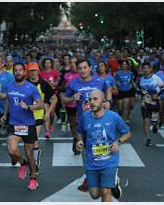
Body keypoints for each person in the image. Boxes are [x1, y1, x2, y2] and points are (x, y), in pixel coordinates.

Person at [63, 58, 112, 192]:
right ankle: (90, 176)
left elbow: (108, 91)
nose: (82, 70)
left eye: (85, 67)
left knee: (101, 149)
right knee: (88, 151)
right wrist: (72, 99)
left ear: (90, 68)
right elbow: (65, 99)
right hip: (84, 121)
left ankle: (103, 175)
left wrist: (108, 101)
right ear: (77, 70)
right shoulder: (73, 83)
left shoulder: (99, 81)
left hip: (101, 120)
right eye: (80, 68)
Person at [76, 90, 131, 202]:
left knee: (106, 192)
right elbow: (79, 131)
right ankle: (113, 183)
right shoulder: (85, 116)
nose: (91, 102)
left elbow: (128, 133)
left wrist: (118, 142)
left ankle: (110, 183)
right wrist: (80, 140)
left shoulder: (113, 117)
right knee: (95, 195)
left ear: (103, 101)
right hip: (92, 162)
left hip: (110, 161)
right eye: (90, 99)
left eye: (95, 99)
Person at [1, 63, 44, 190]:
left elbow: (41, 104)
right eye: (16, 70)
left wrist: (29, 107)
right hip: (14, 123)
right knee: (12, 150)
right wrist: (5, 114)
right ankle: (22, 163)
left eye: (20, 70)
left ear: (24, 72)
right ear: (13, 72)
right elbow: (8, 100)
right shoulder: (9, 86)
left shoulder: (31, 88)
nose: (18, 72)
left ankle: (33, 178)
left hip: (28, 124)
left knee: (29, 154)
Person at [27, 62, 57, 174]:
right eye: (30, 71)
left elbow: (55, 99)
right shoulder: (24, 83)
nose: (33, 73)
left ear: (39, 71)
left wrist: (48, 113)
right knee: (25, 141)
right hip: (24, 115)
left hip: (38, 116)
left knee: (33, 139)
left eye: (34, 70)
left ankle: (35, 162)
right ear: (28, 72)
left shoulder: (44, 84)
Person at [138, 62, 164, 146]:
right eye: (144, 68)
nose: (146, 69)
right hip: (145, 103)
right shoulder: (141, 79)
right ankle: (148, 138)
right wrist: (142, 98)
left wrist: (158, 94)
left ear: (150, 69)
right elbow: (138, 90)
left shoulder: (156, 78)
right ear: (142, 69)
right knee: (145, 120)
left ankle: (155, 125)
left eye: (147, 68)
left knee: (154, 121)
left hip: (155, 103)